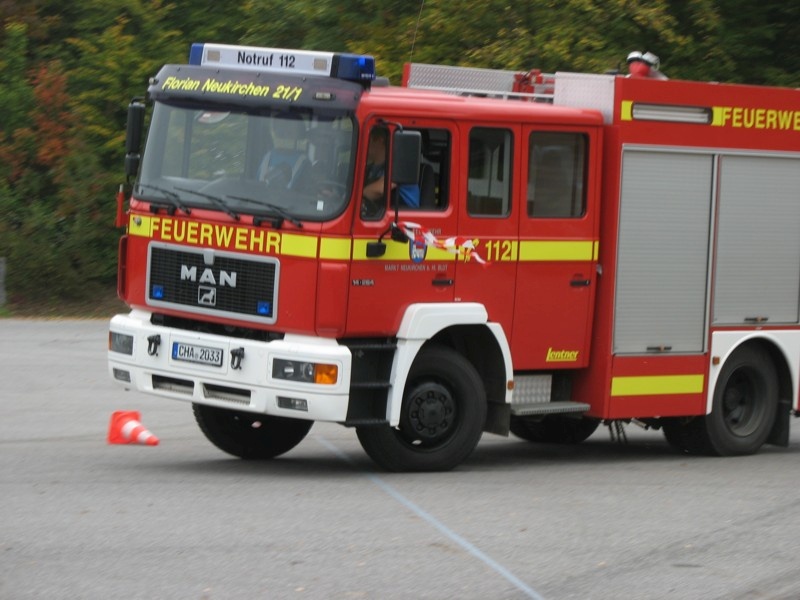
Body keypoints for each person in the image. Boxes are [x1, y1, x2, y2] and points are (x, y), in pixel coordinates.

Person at [362, 127, 420, 211]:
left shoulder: (401, 166)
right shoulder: (370, 169)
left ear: (380, 140)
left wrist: (358, 196)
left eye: (367, 139)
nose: (363, 144)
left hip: (403, 218)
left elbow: (380, 190)